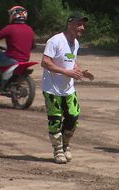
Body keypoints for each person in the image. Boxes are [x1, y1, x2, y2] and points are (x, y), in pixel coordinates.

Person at [41, 13, 94, 164]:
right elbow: (45, 62)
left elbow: (71, 62)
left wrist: (81, 71)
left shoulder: (75, 43)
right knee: (55, 119)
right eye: (79, 24)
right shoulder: (55, 41)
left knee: (73, 117)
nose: (82, 28)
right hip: (52, 89)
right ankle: (58, 150)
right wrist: (66, 72)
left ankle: (65, 145)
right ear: (69, 23)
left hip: (68, 89)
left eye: (83, 25)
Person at [0, 5, 35, 91]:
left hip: (11, 57)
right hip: (24, 59)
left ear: (14, 15)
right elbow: (33, 46)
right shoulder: (30, 30)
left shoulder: (9, 28)